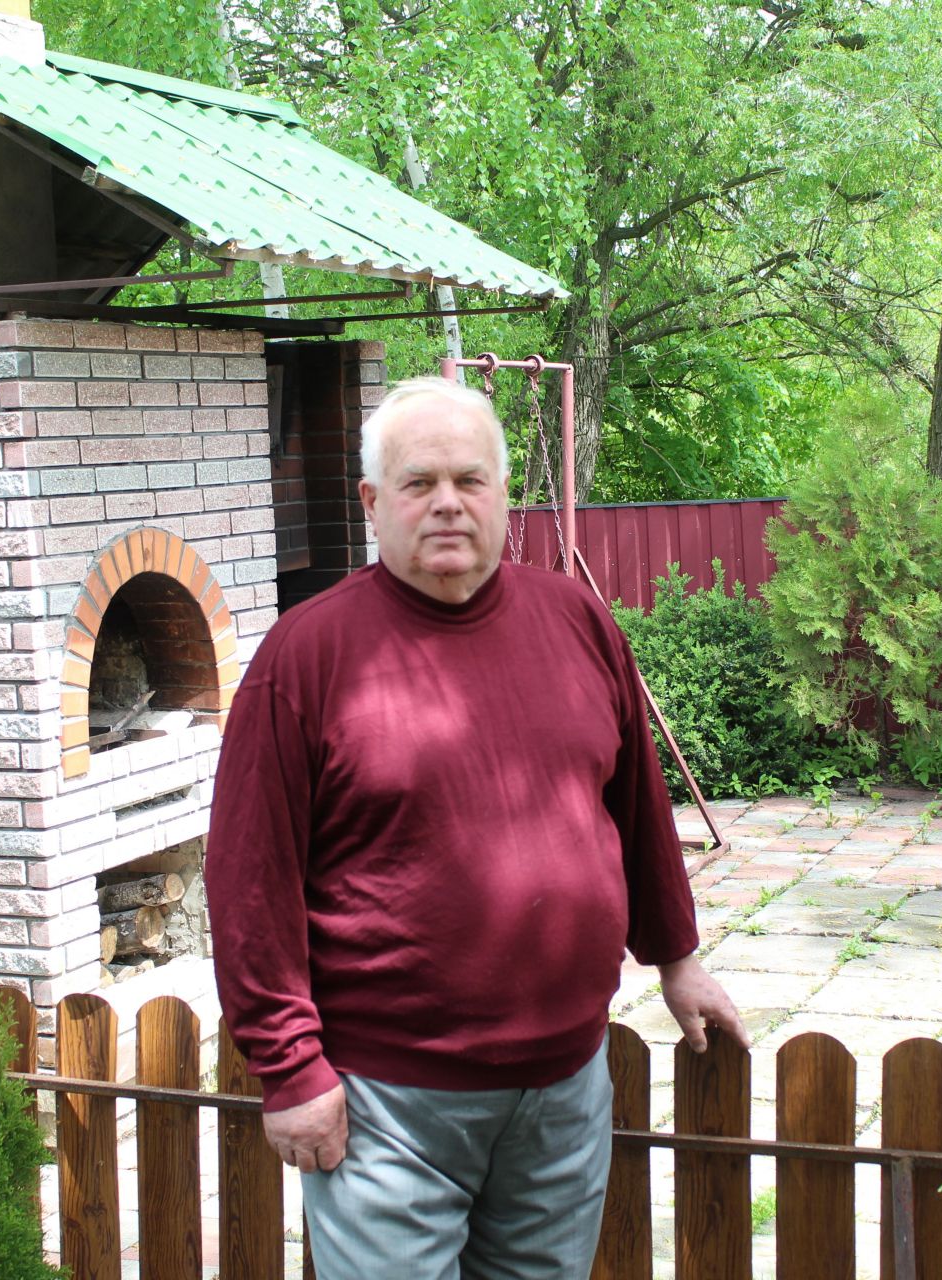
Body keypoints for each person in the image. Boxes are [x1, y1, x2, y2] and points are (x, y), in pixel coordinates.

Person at [204, 375, 746, 1278]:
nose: (448, 503)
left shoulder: (577, 621)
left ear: (502, 493)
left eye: (469, 479)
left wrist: (677, 958)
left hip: (565, 1090)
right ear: (372, 502)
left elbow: (637, 808)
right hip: (386, 1103)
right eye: (419, 483)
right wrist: (289, 1066)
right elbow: (248, 880)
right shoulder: (306, 657)